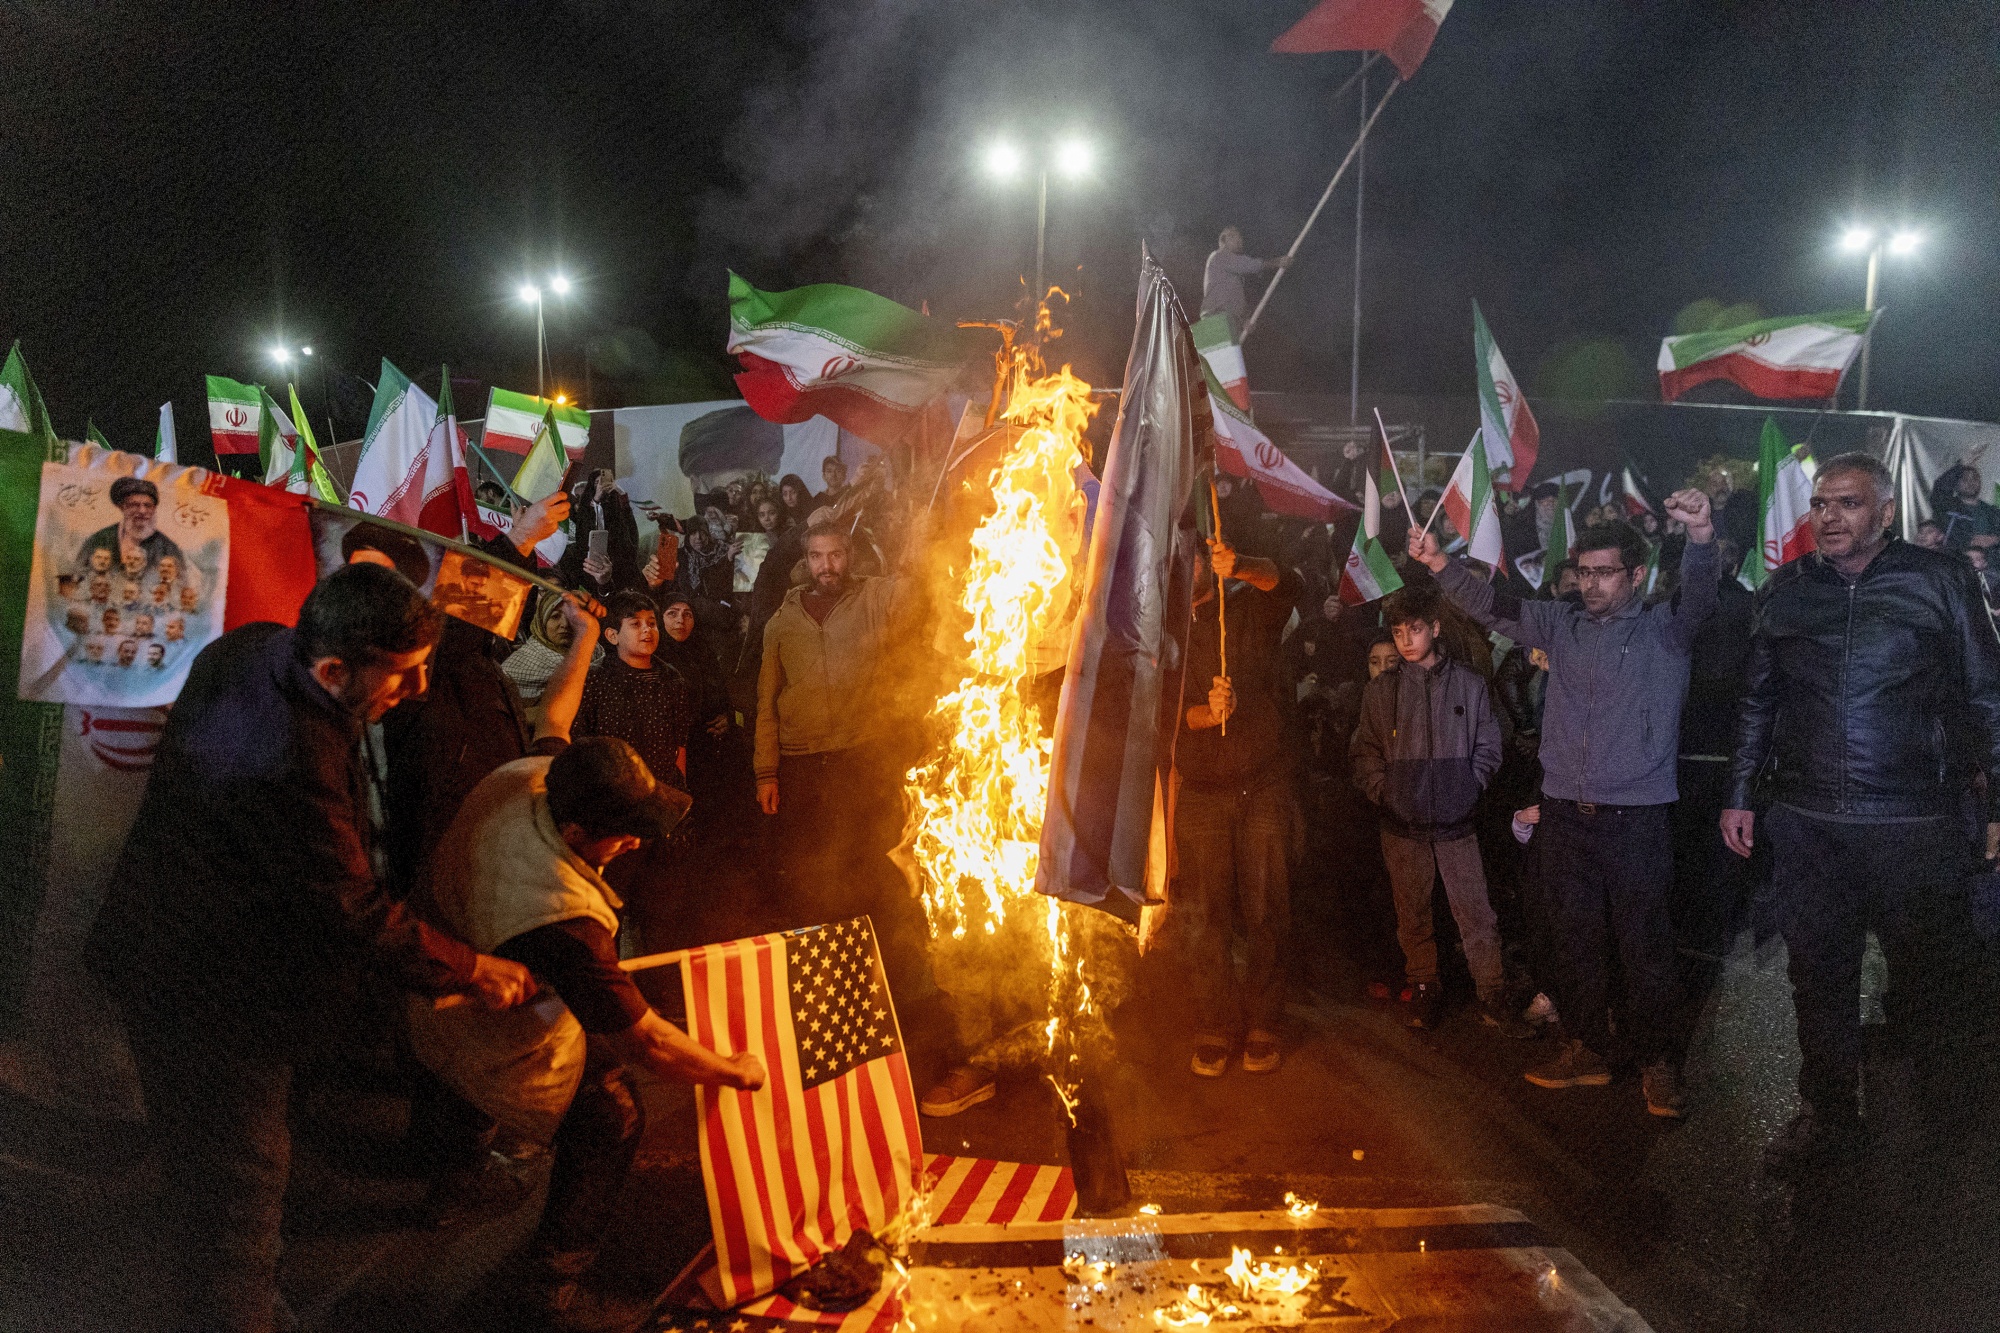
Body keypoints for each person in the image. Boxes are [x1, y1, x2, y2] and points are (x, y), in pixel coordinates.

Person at [86, 564, 537, 1333]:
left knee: (239, 1173)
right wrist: (467, 968)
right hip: (208, 994)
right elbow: (348, 905)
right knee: (239, 1194)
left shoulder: (253, 647)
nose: (419, 688)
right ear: (333, 669)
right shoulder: (291, 754)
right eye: (404, 672)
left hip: (214, 954)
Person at [407, 735, 765, 1330]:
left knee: (462, 1073)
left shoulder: (529, 774)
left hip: (440, 955)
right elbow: (647, 1041)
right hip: (461, 1013)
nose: (636, 841)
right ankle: (549, 1291)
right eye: (623, 831)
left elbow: (555, 714)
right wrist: (735, 1070)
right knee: (610, 1116)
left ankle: (455, 1179)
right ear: (574, 834)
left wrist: (582, 639)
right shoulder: (563, 918)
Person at [1722, 452, 2000, 1178]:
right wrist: (1741, 793)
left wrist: (1997, 799)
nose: (1829, 517)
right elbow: (1758, 700)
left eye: (1847, 503)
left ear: (1884, 512)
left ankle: (1949, 1121)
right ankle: (1828, 1111)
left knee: (1932, 975)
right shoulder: (1788, 589)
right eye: (1820, 504)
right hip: (1810, 823)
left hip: (1913, 821)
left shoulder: (1940, 579)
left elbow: (1987, 697)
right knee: (1816, 975)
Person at [1410, 488, 1718, 1118]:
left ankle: (1658, 1063)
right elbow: (1492, 606)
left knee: (1644, 945)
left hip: (1637, 819)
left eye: (1606, 573)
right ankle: (1589, 1049)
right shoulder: (1559, 622)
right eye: (1583, 572)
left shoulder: (1666, 631)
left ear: (1637, 575)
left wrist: (1703, 538)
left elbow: (1704, 594)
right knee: (1574, 939)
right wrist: (1441, 565)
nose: (1592, 584)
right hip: (1565, 815)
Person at [755, 519, 927, 987]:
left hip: (862, 755)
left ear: (849, 555)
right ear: (805, 561)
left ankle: (895, 967)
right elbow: (765, 704)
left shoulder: (876, 597)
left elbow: (917, 589)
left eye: (834, 555)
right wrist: (766, 772)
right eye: (816, 556)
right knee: (815, 872)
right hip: (803, 763)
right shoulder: (781, 622)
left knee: (876, 862)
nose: (826, 566)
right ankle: (829, 972)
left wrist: (916, 528)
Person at [1351, 585, 1519, 1034]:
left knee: (1474, 909)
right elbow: (1364, 751)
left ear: (1436, 629)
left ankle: (1492, 989)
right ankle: (1424, 985)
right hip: (1401, 825)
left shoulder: (1468, 683)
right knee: (1412, 910)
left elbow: (1489, 743)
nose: (1406, 640)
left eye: (1416, 629)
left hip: (1456, 820)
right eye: (1399, 631)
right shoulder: (1382, 692)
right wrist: (1385, 792)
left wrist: (1470, 784)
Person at [1175, 534, 1302, 1078]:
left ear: (1209, 560)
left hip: (1262, 787)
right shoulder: (1163, 629)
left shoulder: (1249, 609)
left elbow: (1290, 583)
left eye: (1193, 556)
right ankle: (1214, 1022)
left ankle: (1264, 1021)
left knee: (1266, 909)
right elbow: (1154, 710)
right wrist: (1204, 712)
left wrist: (1244, 563)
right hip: (1202, 793)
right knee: (1206, 915)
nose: (1185, 567)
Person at [75, 475, 183, 578]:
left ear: (154, 509)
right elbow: (76, 575)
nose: (142, 511)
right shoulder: (99, 540)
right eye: (134, 505)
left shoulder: (168, 548)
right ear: (123, 507)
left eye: (148, 505)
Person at [1200, 225, 1289, 335]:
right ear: (1223, 241)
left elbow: (1235, 299)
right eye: (1233, 236)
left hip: (1227, 324)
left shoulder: (1233, 275)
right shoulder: (1219, 256)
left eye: (1240, 237)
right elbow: (1250, 265)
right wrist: (1277, 262)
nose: (1239, 240)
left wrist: (1245, 320)